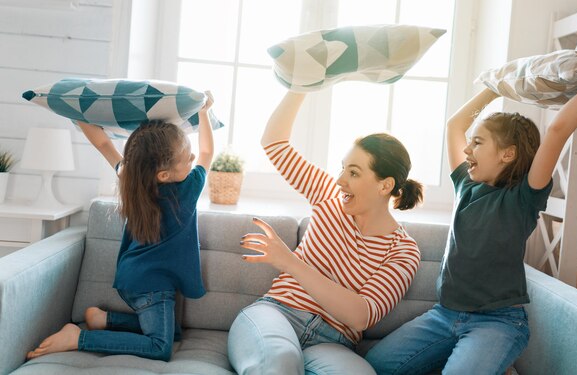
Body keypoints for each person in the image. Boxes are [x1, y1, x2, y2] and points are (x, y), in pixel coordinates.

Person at [365, 62, 577, 375]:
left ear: (507, 154)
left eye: (478, 142)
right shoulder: (464, 185)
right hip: (444, 316)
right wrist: (495, 85)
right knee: (372, 366)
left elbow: (557, 131)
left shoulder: (524, 197)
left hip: (497, 323)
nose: (467, 148)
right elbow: (454, 126)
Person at [227, 91, 424, 375]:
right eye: (342, 169)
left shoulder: (403, 250)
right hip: (276, 314)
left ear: (385, 185)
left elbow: (360, 315)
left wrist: (289, 262)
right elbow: (274, 143)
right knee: (281, 361)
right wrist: (301, 84)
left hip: (334, 343)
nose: (340, 180)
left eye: (354, 173)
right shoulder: (327, 196)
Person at [26, 93, 216, 361]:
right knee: (160, 346)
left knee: (172, 333)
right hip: (153, 287)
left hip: (132, 279)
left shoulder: (131, 180)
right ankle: (78, 338)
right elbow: (208, 152)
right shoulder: (186, 191)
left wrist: (74, 111)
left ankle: (105, 319)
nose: (194, 156)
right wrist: (205, 112)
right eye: (187, 157)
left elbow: (103, 143)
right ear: (164, 174)